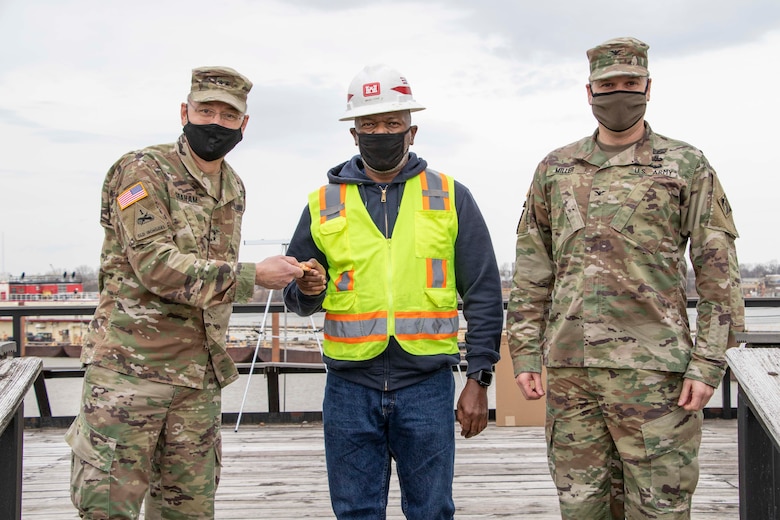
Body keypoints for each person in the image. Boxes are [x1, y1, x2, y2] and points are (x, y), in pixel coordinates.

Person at [506, 37, 745, 519]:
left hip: (656, 373)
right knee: (581, 507)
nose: (619, 94)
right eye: (607, 85)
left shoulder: (685, 164)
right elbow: (533, 270)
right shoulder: (555, 168)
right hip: (573, 371)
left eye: (630, 84)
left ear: (648, 88)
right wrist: (525, 351)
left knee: (660, 507)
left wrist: (708, 363)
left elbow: (718, 273)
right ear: (588, 92)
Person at [66, 66, 305, 519]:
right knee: (107, 509)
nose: (215, 122)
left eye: (228, 115)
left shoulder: (232, 186)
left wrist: (293, 275)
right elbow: (156, 267)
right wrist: (255, 276)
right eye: (205, 110)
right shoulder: (143, 171)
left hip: (197, 382)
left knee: (189, 512)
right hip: (130, 374)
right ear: (184, 111)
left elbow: (209, 279)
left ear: (243, 125)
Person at [283, 64, 504, 519]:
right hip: (348, 386)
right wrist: (307, 289)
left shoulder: (449, 195)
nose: (380, 132)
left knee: (431, 511)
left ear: (411, 130)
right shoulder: (323, 203)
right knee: (355, 512)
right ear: (354, 134)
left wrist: (479, 379)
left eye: (391, 124)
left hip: (427, 384)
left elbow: (483, 290)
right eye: (369, 125)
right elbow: (297, 295)